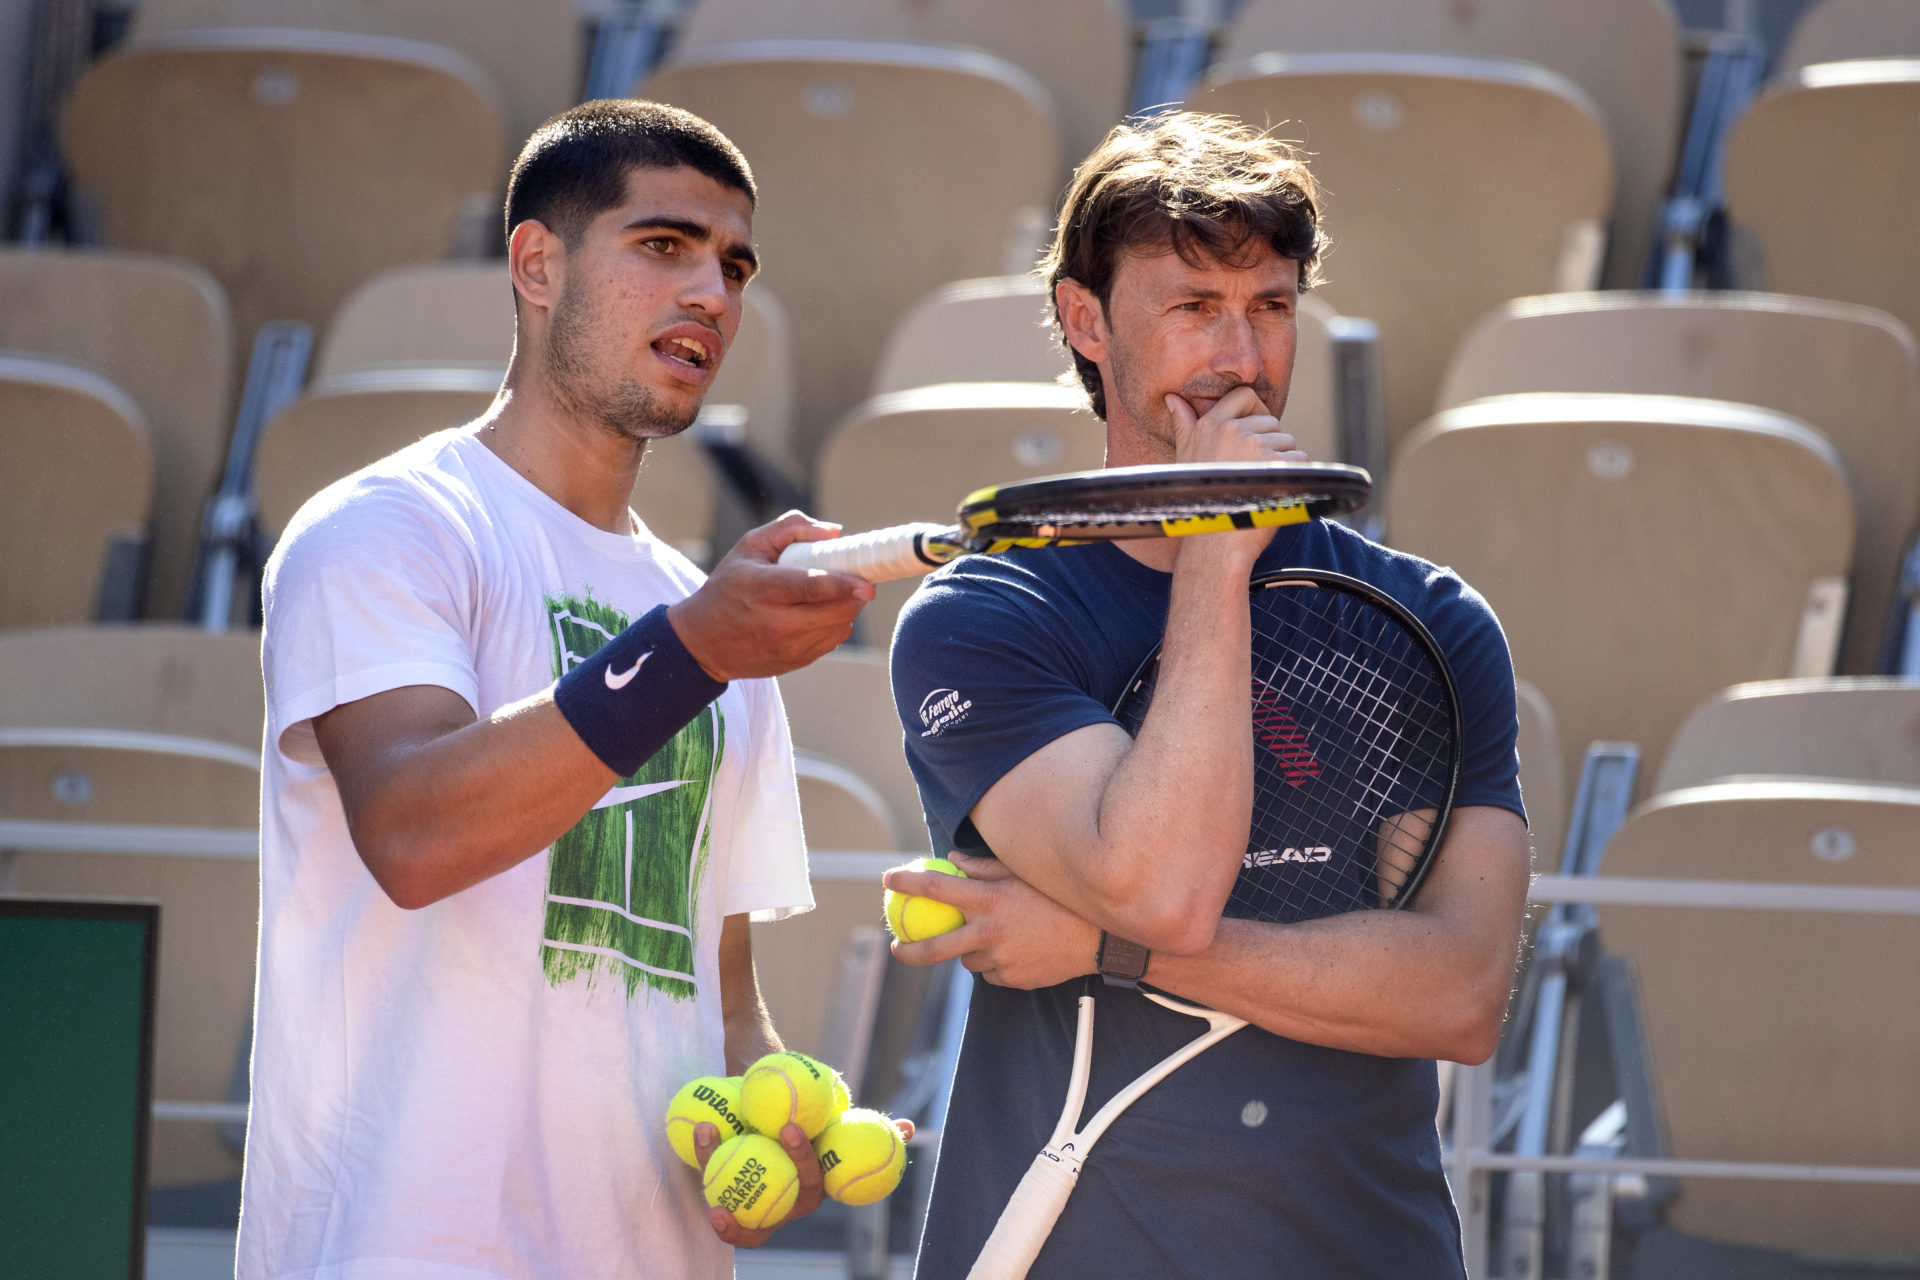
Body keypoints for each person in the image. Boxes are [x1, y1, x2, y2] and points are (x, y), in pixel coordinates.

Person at [237, 100, 892, 1279]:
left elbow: (718, 999)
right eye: (664, 245)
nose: (711, 293)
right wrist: (690, 650)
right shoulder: (388, 530)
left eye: (734, 266)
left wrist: (777, 1128)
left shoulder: (711, 618)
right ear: (538, 264)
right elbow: (414, 829)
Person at [884, 112, 1532, 1277]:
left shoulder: (1432, 619)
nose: (1241, 354)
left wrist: (1098, 947)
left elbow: (1458, 991)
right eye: (1194, 306)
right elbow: (1161, 885)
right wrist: (1220, 555)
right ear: (1086, 319)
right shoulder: (984, 618)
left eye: (1271, 307)